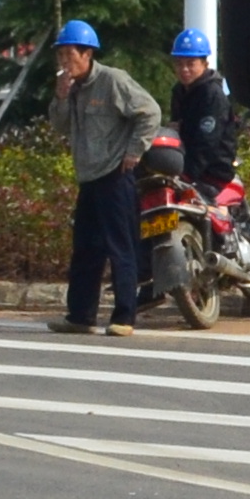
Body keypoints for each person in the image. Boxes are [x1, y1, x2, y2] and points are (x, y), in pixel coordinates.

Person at [43, 21, 160, 337]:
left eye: (70, 55)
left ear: (87, 53)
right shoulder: (73, 88)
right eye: (61, 56)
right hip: (89, 177)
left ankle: (124, 316)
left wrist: (135, 151)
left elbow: (149, 112)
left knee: (120, 247)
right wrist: (61, 97)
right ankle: (80, 315)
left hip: (115, 176)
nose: (65, 62)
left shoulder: (112, 81)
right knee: (85, 249)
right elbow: (59, 126)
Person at [164, 25, 244, 188]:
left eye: (190, 63)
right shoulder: (179, 91)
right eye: (179, 64)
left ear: (204, 64)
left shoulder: (212, 95)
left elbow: (206, 143)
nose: (184, 69)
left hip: (212, 174)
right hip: (183, 167)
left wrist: (186, 175)